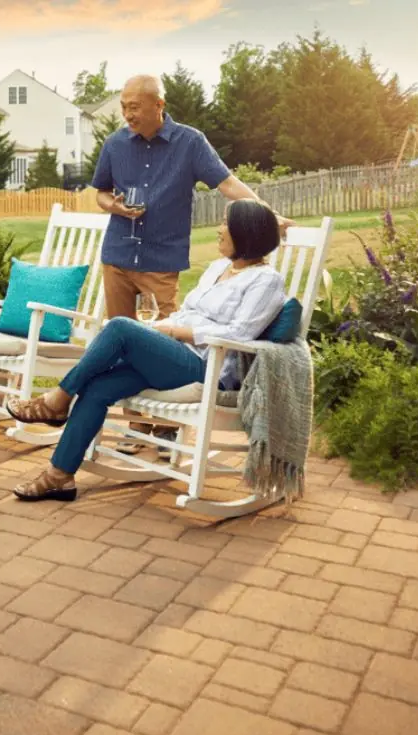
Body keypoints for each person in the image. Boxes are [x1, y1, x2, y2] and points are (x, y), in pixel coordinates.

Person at [4, 199, 287, 502]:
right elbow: (186, 311)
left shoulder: (266, 280)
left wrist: (176, 332)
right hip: (174, 355)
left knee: (120, 328)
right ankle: (59, 477)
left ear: (245, 233)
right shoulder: (219, 268)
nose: (219, 230)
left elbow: (240, 333)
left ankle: (57, 400)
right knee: (99, 386)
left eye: (224, 224)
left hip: (208, 366)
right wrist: (159, 329)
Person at [92, 74, 291, 454]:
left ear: (158, 105)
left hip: (161, 260)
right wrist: (114, 206)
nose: (127, 114)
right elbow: (100, 192)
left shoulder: (190, 142)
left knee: (169, 343)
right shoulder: (115, 144)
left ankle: (166, 429)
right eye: (123, 107)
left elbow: (227, 183)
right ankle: (139, 427)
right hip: (117, 255)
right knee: (121, 343)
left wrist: (269, 213)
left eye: (134, 107)